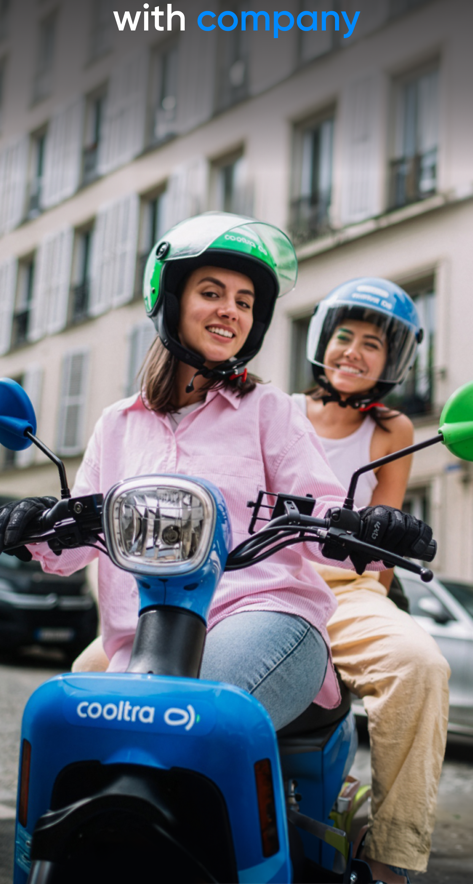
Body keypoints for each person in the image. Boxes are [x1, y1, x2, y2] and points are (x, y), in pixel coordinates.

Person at [0, 217, 433, 747]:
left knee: (184, 720)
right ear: (172, 299)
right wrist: (31, 524)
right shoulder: (117, 424)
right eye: (212, 292)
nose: (232, 309)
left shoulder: (269, 409)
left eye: (246, 302)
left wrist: (371, 527)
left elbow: (323, 511)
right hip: (143, 633)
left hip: (262, 613)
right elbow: (71, 550)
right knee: (64, 736)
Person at [292, 277, 450, 884]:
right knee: (103, 663)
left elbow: (378, 555)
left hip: (345, 587)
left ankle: (390, 863)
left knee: (420, 665)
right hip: (267, 573)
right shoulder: (277, 410)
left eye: (372, 345)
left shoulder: (393, 430)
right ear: (321, 343)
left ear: (394, 362)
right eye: (344, 336)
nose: (353, 352)